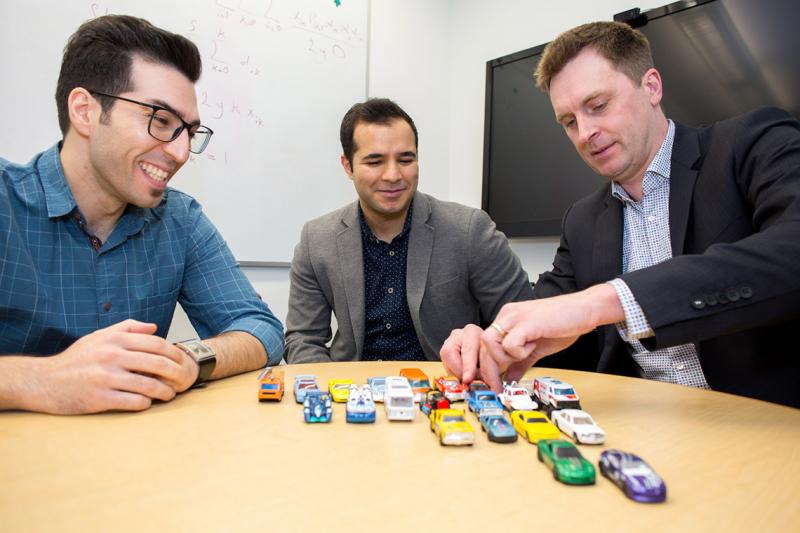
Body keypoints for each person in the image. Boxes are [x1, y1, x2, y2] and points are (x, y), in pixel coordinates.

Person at [441, 21, 800, 407]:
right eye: (569, 122)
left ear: (651, 86)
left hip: (767, 420)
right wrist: (490, 341)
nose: (585, 133)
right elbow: (554, 330)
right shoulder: (581, 221)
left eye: (597, 106)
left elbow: (790, 251)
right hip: (639, 428)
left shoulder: (751, 143)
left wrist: (607, 301)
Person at [0, 15, 284, 414]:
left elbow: (261, 330)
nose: (181, 152)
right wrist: (44, 380)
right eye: (160, 120)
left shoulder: (180, 220)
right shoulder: (5, 201)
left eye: (188, 131)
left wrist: (188, 360)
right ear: (84, 111)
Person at [285, 98, 532, 363]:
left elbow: (523, 323)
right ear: (348, 166)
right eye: (374, 162)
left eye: (405, 159)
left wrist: (481, 351)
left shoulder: (470, 229)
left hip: (442, 391)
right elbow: (303, 339)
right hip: (350, 393)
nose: (392, 175)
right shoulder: (316, 240)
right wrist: (327, 394)